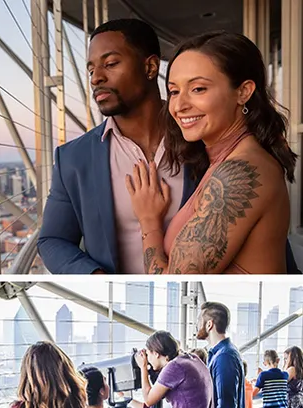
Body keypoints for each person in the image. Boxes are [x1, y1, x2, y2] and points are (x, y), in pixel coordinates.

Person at [127, 32, 298, 274]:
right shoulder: (226, 161)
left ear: (243, 92)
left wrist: (149, 222)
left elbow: (174, 289)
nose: (179, 105)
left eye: (198, 89)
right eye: (174, 91)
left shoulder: (238, 172)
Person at [37, 19, 194, 274]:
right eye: (91, 70)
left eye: (110, 64)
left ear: (151, 67)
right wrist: (95, 278)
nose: (96, 78)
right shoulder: (74, 158)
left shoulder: (202, 140)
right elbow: (53, 241)